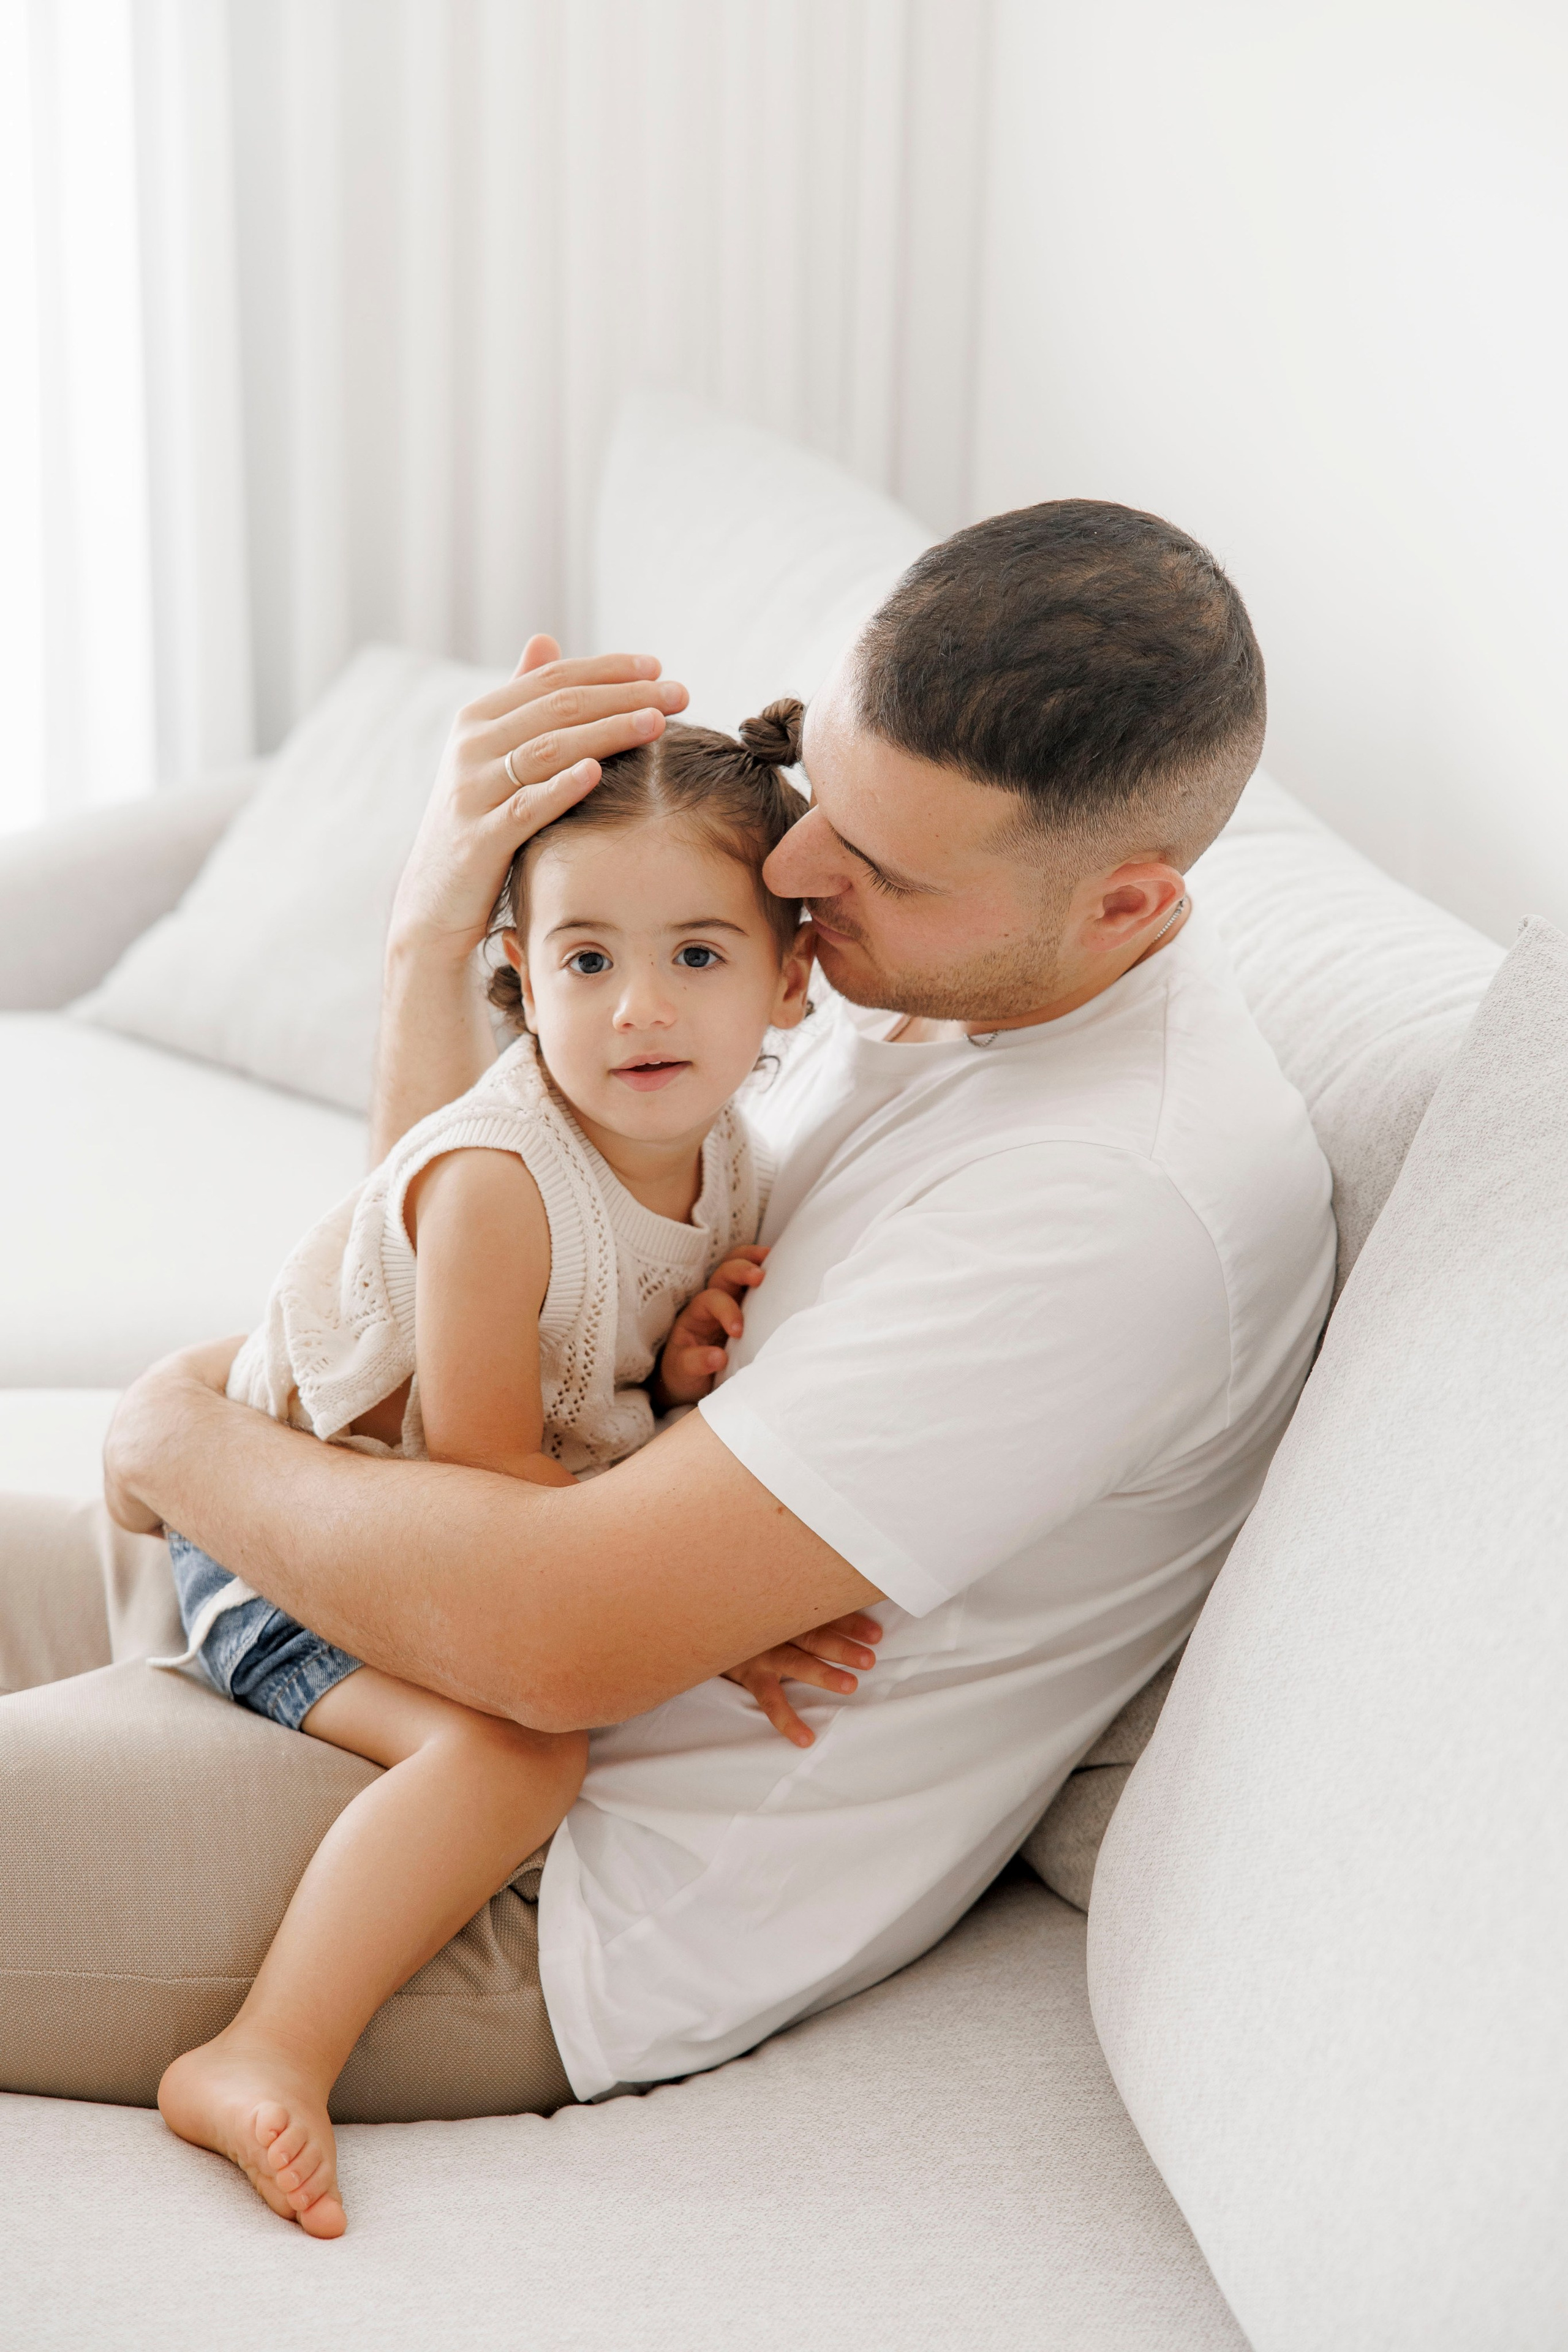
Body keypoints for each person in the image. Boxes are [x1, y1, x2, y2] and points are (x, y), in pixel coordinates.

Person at [0, 499, 1335, 2151]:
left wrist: (173, 1437)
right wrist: (437, 930)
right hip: (397, 1614)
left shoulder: (1119, 1199)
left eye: (879, 864)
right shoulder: (901, 967)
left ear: (1128, 906)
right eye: (820, 798)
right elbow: (471, 1253)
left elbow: (555, 1646)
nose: (790, 871)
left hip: (527, 1868)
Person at [149, 705, 873, 2234]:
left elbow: (586, 1369)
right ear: (518, 973)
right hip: (289, 1539)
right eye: (585, 960)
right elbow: (472, 1488)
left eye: (697, 954)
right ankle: (261, 2051)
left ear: (789, 978)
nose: (638, 1011)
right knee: (522, 1758)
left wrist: (669, 1372)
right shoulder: (498, 1184)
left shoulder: (727, 1145)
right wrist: (721, 1610)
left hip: (415, 1528)